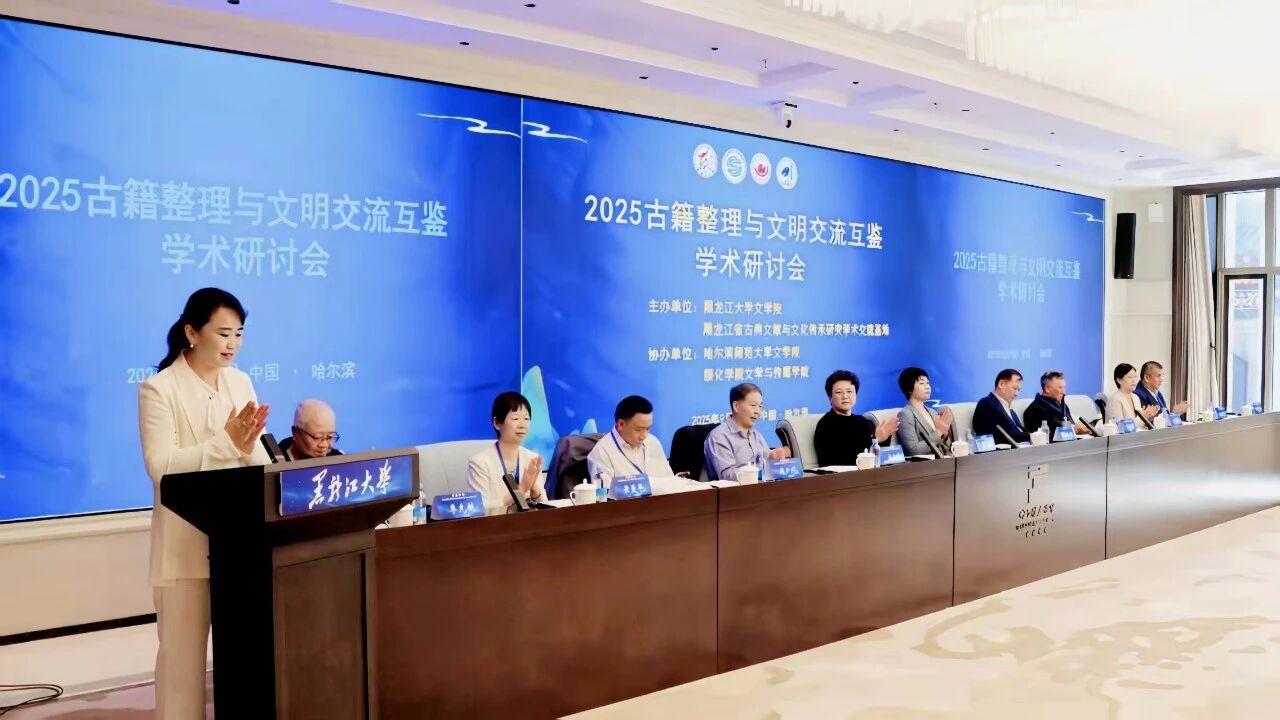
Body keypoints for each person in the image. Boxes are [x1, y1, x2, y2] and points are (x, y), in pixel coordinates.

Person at [138, 288, 270, 719]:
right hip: (184, 552)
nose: (233, 344)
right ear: (192, 333)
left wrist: (252, 453)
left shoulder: (240, 382)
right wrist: (225, 444)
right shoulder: (159, 390)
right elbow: (162, 468)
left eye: (239, 334)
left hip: (240, 551)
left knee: (248, 669)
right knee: (182, 672)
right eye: (223, 333)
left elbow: (254, 458)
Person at [468, 392, 545, 513]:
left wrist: (535, 491)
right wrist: (521, 490)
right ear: (497, 423)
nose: (522, 425)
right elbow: (477, 509)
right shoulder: (479, 463)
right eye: (515, 418)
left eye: (526, 418)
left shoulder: (532, 459)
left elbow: (546, 511)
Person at [703, 383, 790, 480]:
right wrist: (758, 474)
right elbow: (727, 475)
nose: (757, 411)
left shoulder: (756, 435)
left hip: (762, 487)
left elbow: (766, 461)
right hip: (736, 489)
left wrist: (774, 458)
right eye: (753, 405)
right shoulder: (719, 436)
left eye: (760, 406)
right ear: (736, 406)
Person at [586, 395, 676, 488]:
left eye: (648, 428)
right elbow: (603, 494)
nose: (644, 436)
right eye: (638, 429)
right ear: (621, 424)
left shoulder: (653, 441)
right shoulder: (601, 453)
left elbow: (670, 481)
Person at [813, 370, 899, 466]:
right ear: (830, 397)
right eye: (839, 392)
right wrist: (875, 440)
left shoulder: (862, 421)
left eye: (849, 391)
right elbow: (836, 460)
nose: (845, 396)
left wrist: (883, 438)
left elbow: (878, 458)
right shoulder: (825, 424)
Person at [894, 367, 953, 457]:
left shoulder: (933, 412)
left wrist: (945, 434)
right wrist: (939, 432)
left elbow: (947, 447)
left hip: (945, 459)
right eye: (921, 383)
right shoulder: (905, 415)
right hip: (927, 464)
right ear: (909, 389)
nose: (927, 386)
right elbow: (913, 451)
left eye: (928, 383)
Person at [1022, 370, 1093, 440]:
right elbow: (1047, 436)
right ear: (1047, 388)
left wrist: (1083, 429)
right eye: (1060, 387)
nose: (1064, 392)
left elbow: (1071, 426)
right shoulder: (1034, 410)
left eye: (1064, 387)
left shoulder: (1062, 406)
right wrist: (1074, 430)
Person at [972, 368, 1031, 444]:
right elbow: (1005, 436)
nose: (1017, 394)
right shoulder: (987, 403)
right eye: (1014, 388)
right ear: (1001, 384)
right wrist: (1032, 436)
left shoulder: (1011, 411)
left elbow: (1021, 431)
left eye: (1018, 390)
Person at [279, 399, 343, 460]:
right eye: (317, 437)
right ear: (295, 432)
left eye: (330, 437)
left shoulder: (340, 460)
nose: (324, 445)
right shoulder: (275, 462)